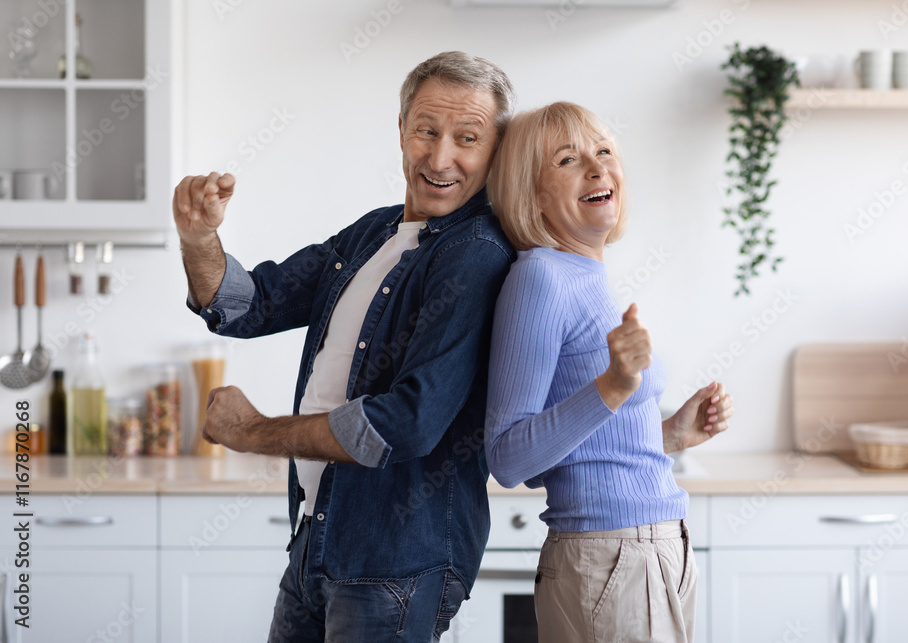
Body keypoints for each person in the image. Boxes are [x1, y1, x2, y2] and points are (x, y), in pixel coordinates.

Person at [173, 51, 516, 642]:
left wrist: (254, 432)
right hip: (317, 539)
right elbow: (248, 304)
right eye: (426, 131)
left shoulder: (475, 253)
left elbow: (406, 422)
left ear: (496, 151)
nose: (440, 158)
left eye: (468, 138)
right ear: (402, 130)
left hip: (394, 565)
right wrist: (199, 237)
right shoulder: (371, 232)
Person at [484, 101, 734, 643]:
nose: (597, 169)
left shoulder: (583, 274)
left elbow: (570, 454)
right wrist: (615, 386)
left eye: (603, 152)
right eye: (568, 160)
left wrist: (668, 436)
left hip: (643, 551)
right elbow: (509, 458)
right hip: (616, 554)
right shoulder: (541, 278)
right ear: (532, 194)